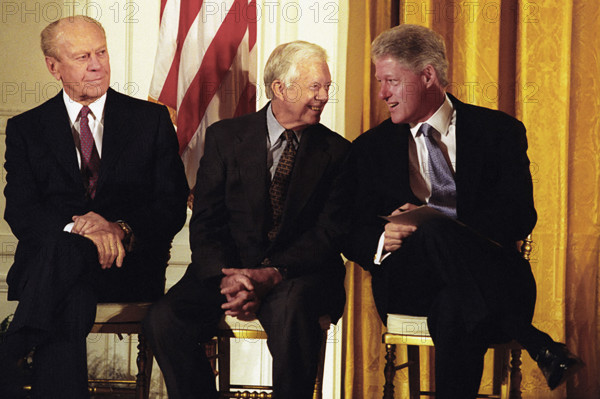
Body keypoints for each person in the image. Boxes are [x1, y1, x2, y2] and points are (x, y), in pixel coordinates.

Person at [343, 24, 583, 398]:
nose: (381, 93)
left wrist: (443, 226)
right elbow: (348, 229)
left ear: (427, 76)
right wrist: (381, 239)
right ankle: (536, 342)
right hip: (411, 282)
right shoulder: (368, 149)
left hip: (495, 274)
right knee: (433, 238)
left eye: (390, 80)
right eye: (380, 82)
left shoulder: (498, 132)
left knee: (454, 302)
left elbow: (520, 216)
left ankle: (531, 339)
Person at [143, 41, 349, 399]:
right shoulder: (225, 137)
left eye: (327, 87)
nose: (324, 96)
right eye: (315, 87)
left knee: (290, 312)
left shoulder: (339, 152)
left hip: (298, 276)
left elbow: (329, 233)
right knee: (164, 320)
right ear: (280, 88)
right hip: (226, 272)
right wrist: (232, 279)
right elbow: (207, 220)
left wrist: (270, 275)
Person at [0, 15, 189, 398]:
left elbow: (170, 205)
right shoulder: (27, 128)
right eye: (82, 56)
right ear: (53, 66)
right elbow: (21, 211)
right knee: (73, 294)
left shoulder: (150, 121)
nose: (97, 64)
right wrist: (82, 230)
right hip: (55, 274)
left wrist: (118, 229)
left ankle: (12, 347)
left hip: (125, 267)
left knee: (69, 280)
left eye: (101, 52)